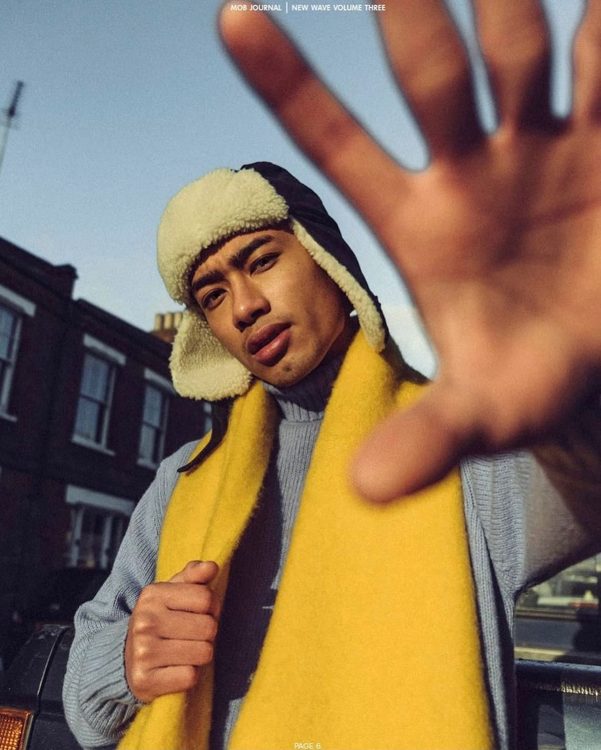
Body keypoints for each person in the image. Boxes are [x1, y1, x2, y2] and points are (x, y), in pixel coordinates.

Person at [64, 2, 601, 749]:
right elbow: (85, 699)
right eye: (212, 294)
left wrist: (575, 367)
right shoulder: (182, 480)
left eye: (261, 260)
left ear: (328, 263)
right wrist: (127, 660)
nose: (244, 307)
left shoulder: (460, 456)